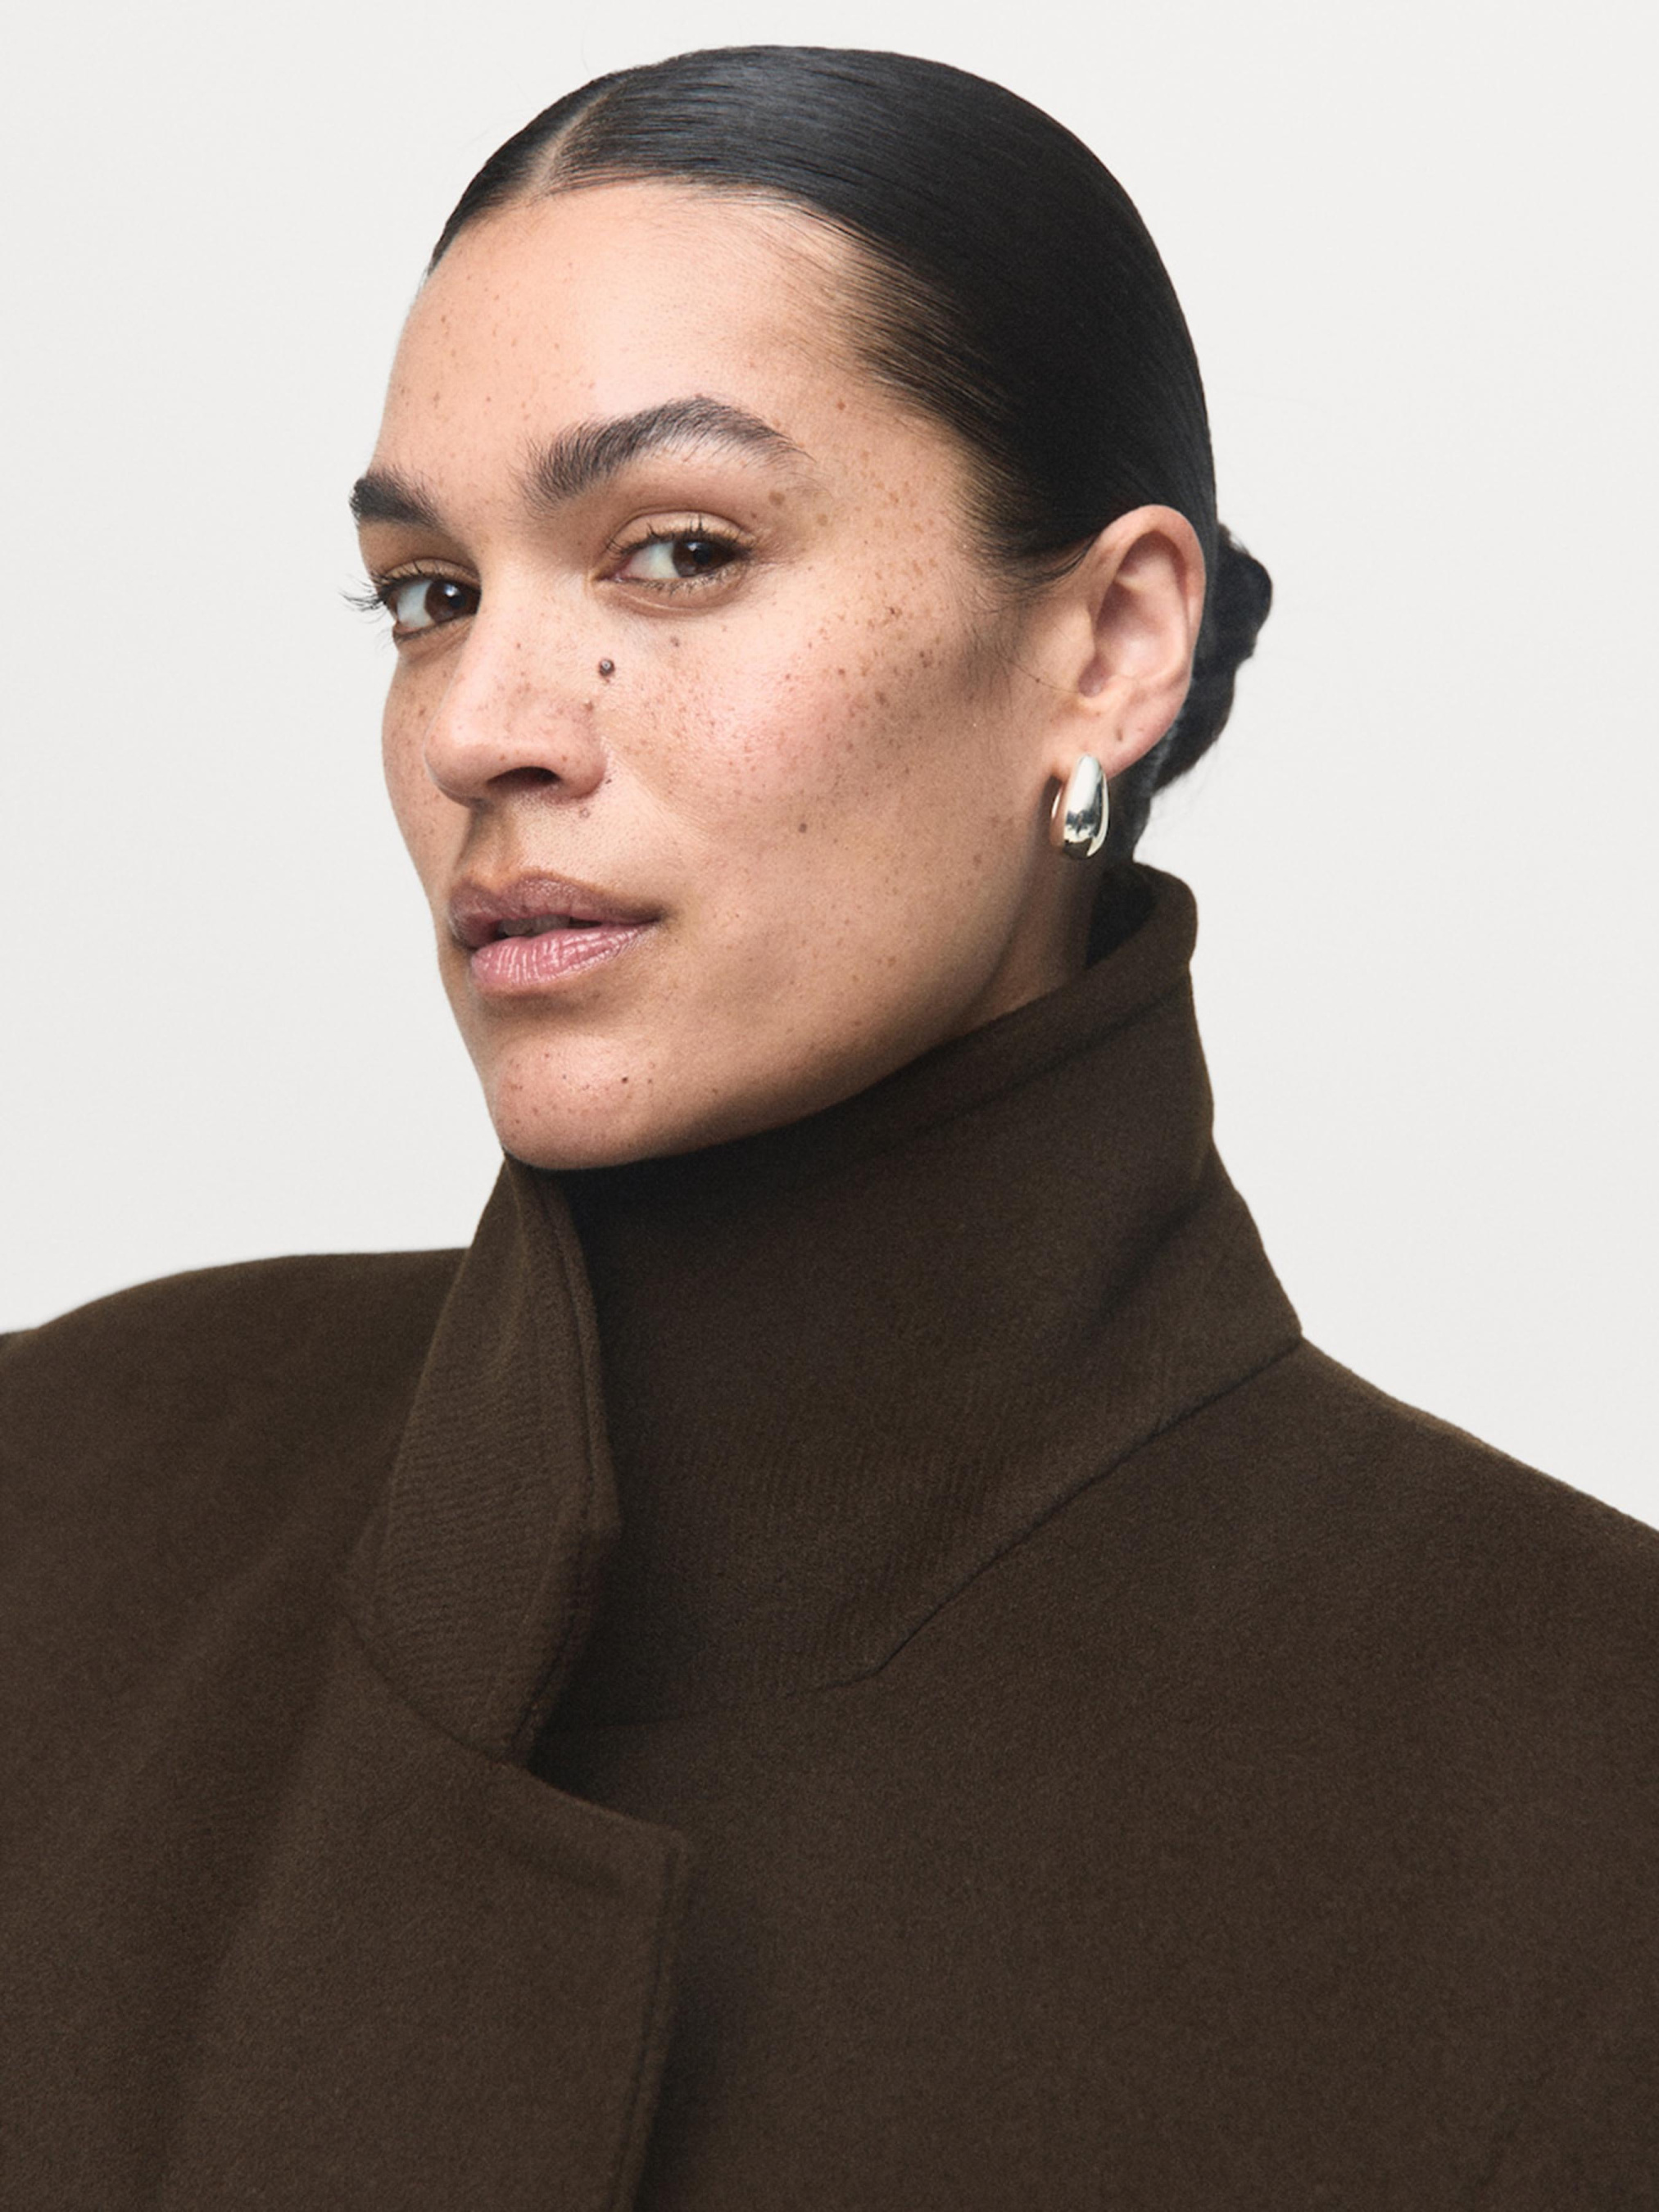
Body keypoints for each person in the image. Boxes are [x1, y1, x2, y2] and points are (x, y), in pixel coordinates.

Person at [2, 44, 1655, 2210]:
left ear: (1108, 645)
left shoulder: (1582, 1790)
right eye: (429, 593)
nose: (484, 722)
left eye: (677, 552)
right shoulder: (67, 1503)